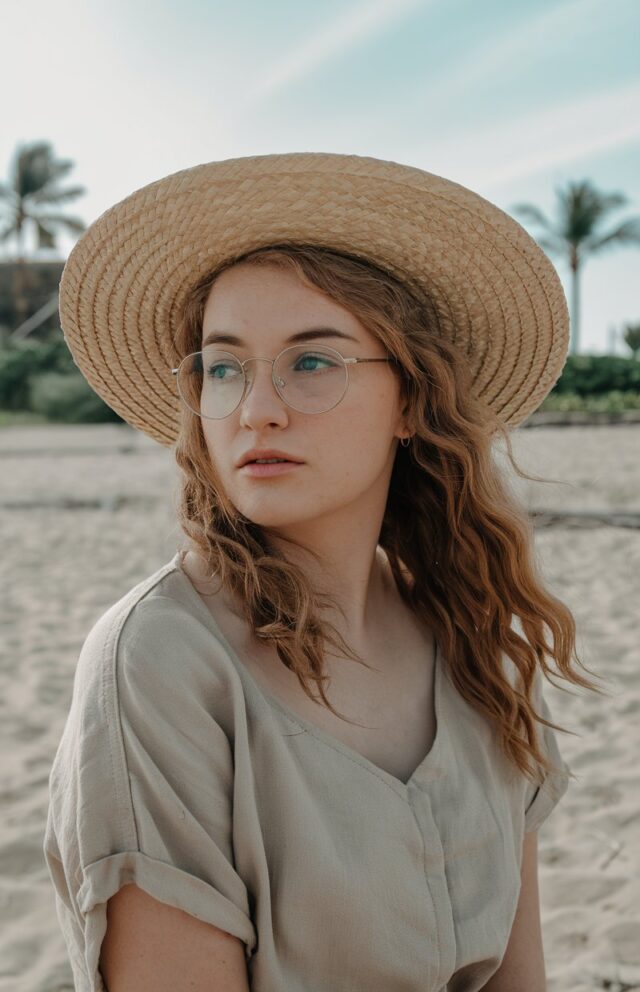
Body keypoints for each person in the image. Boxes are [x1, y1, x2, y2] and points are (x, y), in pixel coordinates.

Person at [43, 151, 602, 992]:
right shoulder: (158, 661)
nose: (257, 408)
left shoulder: (477, 635)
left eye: (311, 362)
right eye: (223, 367)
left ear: (412, 399)